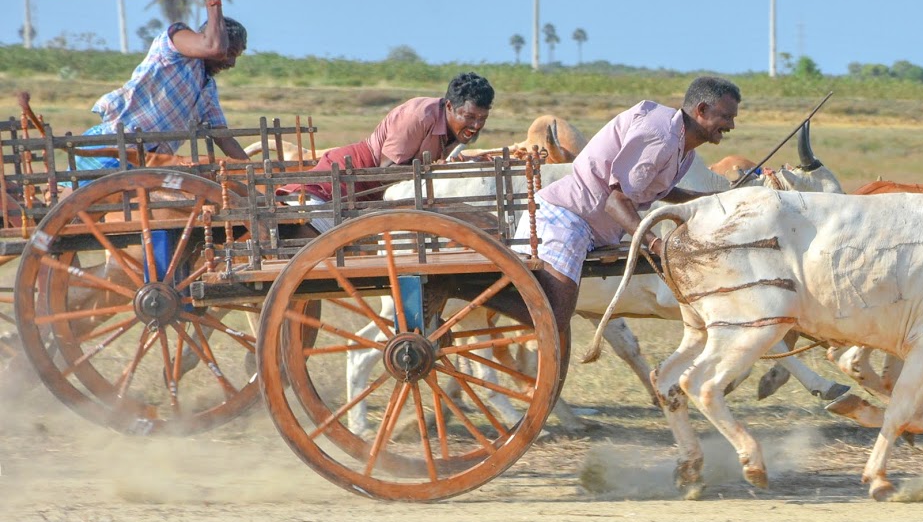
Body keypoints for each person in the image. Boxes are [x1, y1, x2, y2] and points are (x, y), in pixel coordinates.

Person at [513, 75, 741, 361]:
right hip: (566, 218)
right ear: (702, 110)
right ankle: (472, 300)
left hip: (590, 228)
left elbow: (657, 189)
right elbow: (616, 201)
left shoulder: (685, 150)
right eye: (726, 117)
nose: (731, 125)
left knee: (557, 314)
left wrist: (708, 200)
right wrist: (656, 245)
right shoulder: (661, 136)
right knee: (555, 315)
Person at [280, 72, 493, 233]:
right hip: (349, 180)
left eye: (482, 119)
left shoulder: (457, 130)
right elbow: (385, 172)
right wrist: (431, 170)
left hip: (376, 196)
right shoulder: (418, 117)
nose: (476, 126)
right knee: (314, 240)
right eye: (469, 117)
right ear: (449, 106)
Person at [77, 0, 251, 170]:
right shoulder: (176, 43)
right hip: (112, 147)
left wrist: (254, 171)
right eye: (230, 53)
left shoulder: (207, 89)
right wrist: (212, 0)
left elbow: (223, 138)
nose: (231, 63)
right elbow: (214, 48)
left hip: (148, 165)